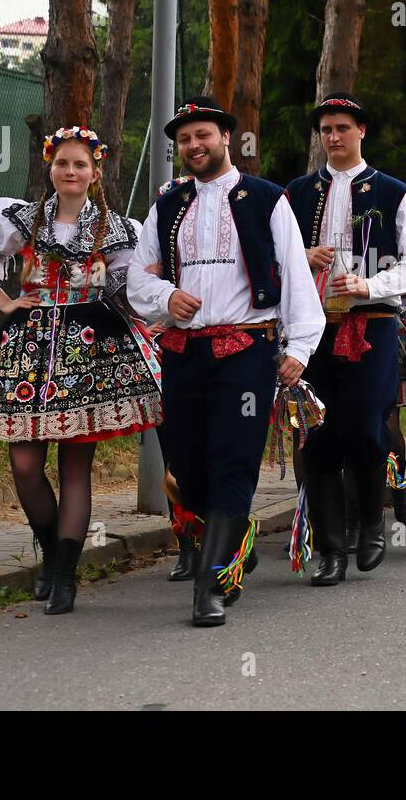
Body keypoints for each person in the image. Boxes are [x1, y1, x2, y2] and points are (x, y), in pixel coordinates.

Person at [0, 125, 160, 615]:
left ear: (95, 172)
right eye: (63, 162)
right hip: (28, 346)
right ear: (51, 167)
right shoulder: (21, 220)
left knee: (76, 467)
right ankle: (49, 549)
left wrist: (150, 328)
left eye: (80, 164)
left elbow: (132, 290)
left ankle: (63, 575)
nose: (71, 171)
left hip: (89, 351)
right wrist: (4, 300)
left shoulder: (116, 230)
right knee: (24, 465)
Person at [128, 97, 325, 626]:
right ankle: (236, 541)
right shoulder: (167, 203)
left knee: (233, 459)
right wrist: (166, 297)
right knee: (188, 467)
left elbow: (294, 276)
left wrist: (300, 348)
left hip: (245, 351)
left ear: (226, 139)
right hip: (183, 353)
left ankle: (209, 585)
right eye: (185, 139)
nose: (194, 146)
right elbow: (138, 279)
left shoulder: (265, 198)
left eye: (203, 135)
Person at [285, 93, 406, 585]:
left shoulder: (392, 192)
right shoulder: (297, 193)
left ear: (361, 131)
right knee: (319, 434)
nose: (334, 136)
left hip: (373, 324)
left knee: (367, 425)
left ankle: (371, 521)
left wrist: (370, 284)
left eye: (343, 127)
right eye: (326, 128)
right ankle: (331, 549)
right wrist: (303, 257)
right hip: (313, 328)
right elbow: (274, 256)